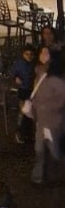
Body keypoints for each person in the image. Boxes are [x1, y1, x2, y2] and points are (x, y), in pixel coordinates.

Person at [28, 49, 65, 185]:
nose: (43, 56)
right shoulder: (42, 75)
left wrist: (43, 107)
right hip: (44, 121)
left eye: (46, 53)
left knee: (51, 150)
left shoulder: (55, 80)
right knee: (41, 150)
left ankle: (51, 175)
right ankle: (39, 176)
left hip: (52, 122)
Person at [12, 44, 37, 144]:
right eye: (27, 54)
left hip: (32, 91)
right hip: (23, 90)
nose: (29, 56)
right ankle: (19, 133)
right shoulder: (19, 64)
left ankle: (28, 133)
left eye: (31, 54)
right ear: (23, 54)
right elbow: (12, 73)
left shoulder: (34, 64)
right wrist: (16, 78)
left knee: (30, 113)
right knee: (22, 113)